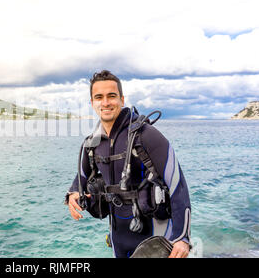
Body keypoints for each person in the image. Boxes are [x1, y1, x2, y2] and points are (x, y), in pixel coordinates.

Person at [65, 70, 191, 258]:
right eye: (99, 97)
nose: (105, 102)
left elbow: (177, 185)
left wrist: (182, 237)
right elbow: (82, 177)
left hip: (156, 237)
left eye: (111, 96)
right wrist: (73, 193)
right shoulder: (92, 144)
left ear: (122, 100)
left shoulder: (146, 135)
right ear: (92, 103)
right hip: (118, 238)